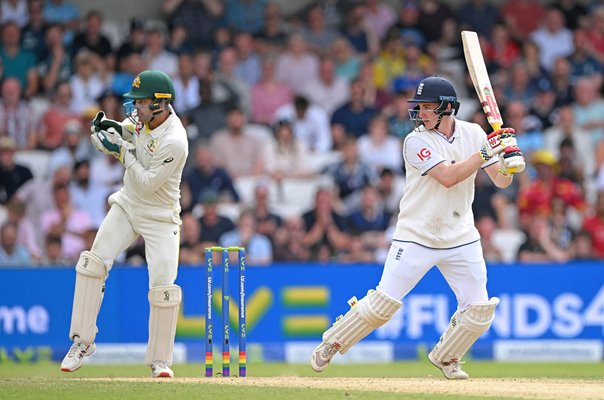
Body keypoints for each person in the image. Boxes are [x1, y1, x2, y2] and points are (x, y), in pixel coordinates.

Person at [310, 76, 526, 379]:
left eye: (428, 106)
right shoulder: (415, 140)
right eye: (419, 106)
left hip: (461, 235)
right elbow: (448, 176)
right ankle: (332, 342)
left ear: (447, 108)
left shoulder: (474, 133)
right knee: (381, 305)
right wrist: (488, 152)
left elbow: (502, 181)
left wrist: (509, 160)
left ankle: (447, 357)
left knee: (479, 311)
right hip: (417, 235)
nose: (421, 112)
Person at [60, 70, 189, 378]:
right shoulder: (144, 120)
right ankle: (82, 341)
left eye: (140, 103)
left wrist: (121, 151)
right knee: (92, 263)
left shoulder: (175, 142)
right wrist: (111, 128)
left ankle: (160, 360)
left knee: (163, 288)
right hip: (129, 205)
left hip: (160, 215)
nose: (135, 109)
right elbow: (129, 131)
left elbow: (146, 183)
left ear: (160, 104)